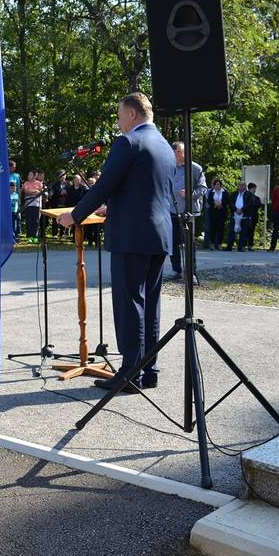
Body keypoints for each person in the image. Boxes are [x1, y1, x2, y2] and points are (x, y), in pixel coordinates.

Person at [58, 92, 174, 392]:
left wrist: (75, 216)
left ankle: (129, 373)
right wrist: (115, 208)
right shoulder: (165, 146)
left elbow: (103, 186)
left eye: (120, 115)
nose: (119, 121)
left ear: (132, 114)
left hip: (131, 237)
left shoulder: (129, 142)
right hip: (159, 235)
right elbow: (145, 191)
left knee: (130, 303)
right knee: (150, 304)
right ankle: (149, 370)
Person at [168, 141, 206, 280]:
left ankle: (191, 273)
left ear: (186, 152)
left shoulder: (195, 168)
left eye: (179, 151)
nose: (177, 155)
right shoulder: (169, 167)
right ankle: (176, 271)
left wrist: (190, 193)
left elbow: (203, 189)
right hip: (172, 210)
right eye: (174, 152)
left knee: (189, 243)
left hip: (188, 212)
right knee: (172, 243)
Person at [225, 180, 256, 252]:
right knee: (232, 231)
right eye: (240, 185)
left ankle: (241, 247)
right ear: (237, 186)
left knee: (243, 232)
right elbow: (230, 203)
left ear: (245, 186)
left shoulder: (249, 195)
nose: (241, 186)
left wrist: (242, 209)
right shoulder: (233, 194)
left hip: (244, 215)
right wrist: (235, 209)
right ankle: (229, 246)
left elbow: (250, 204)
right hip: (235, 214)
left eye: (243, 185)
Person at [204, 178, 229, 250]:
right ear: (214, 185)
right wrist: (214, 204)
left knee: (220, 228)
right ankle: (212, 243)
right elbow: (209, 200)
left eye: (219, 184)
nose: (217, 186)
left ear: (221, 185)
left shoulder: (224, 192)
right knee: (212, 227)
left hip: (222, 211)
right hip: (213, 211)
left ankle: (219, 244)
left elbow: (227, 200)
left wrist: (221, 204)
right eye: (216, 184)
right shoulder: (211, 192)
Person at [21, 171, 43, 242]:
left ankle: (35, 236)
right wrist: (35, 191)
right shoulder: (26, 183)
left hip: (37, 204)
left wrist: (33, 191)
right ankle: (29, 236)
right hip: (29, 204)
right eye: (28, 174)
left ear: (34, 176)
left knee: (36, 221)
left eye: (30, 174)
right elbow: (26, 191)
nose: (28, 176)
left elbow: (40, 192)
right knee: (29, 220)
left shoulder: (39, 183)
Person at [245, 182, 262, 250]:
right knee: (245, 230)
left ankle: (250, 245)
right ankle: (243, 244)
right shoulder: (245, 196)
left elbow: (258, 205)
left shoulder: (256, 198)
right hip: (246, 215)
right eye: (253, 188)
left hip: (254, 216)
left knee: (252, 231)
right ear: (249, 189)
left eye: (255, 188)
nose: (254, 190)